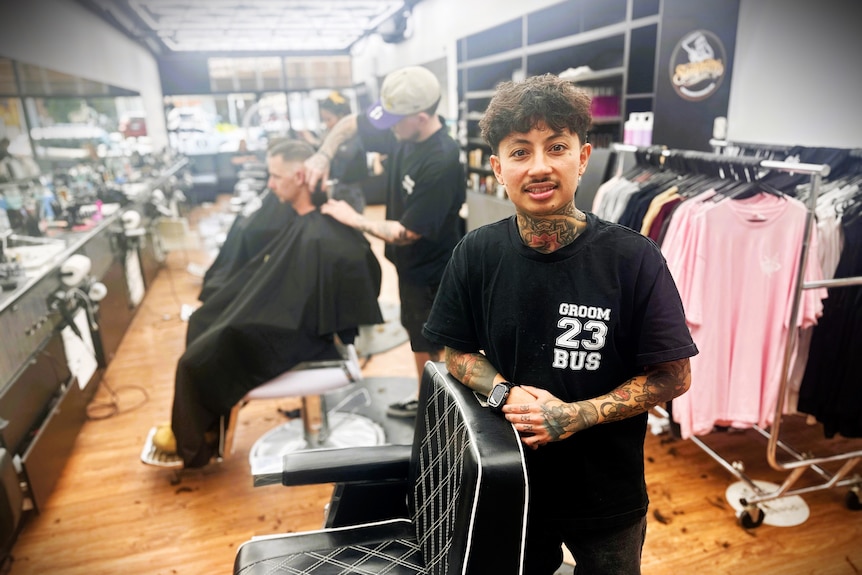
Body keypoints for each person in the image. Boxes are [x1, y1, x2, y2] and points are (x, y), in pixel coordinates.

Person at [421, 74, 698, 574]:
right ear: (497, 168)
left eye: (556, 147)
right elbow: (452, 352)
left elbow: (674, 375)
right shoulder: (476, 253)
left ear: (584, 157)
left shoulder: (634, 259)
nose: (540, 167)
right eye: (521, 152)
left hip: (606, 493)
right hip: (507, 483)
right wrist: (505, 392)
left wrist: (578, 415)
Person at [152, 139, 383, 467]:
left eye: (276, 176)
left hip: (306, 335)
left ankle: (192, 440)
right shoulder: (304, 222)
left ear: (301, 176)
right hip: (287, 318)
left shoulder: (326, 235)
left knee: (195, 361)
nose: (271, 184)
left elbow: (348, 290)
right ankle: (202, 426)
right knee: (203, 320)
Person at [304, 66, 466, 418]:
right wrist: (323, 154)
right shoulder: (402, 129)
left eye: (395, 121)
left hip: (431, 266)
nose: (388, 128)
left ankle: (434, 408)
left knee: (429, 339)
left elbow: (408, 233)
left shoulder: (441, 160)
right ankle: (428, 395)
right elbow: (351, 124)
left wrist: (355, 219)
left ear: (421, 117)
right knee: (416, 332)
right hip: (410, 265)